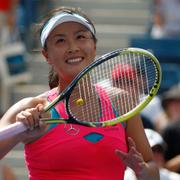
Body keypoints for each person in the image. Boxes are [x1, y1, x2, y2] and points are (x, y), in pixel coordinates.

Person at [0, 6, 160, 180]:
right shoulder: (31, 107)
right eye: (60, 41)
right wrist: (21, 127)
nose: (73, 47)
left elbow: (152, 170)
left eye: (80, 37)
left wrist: (142, 170)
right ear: (46, 55)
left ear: (94, 45)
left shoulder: (122, 102)